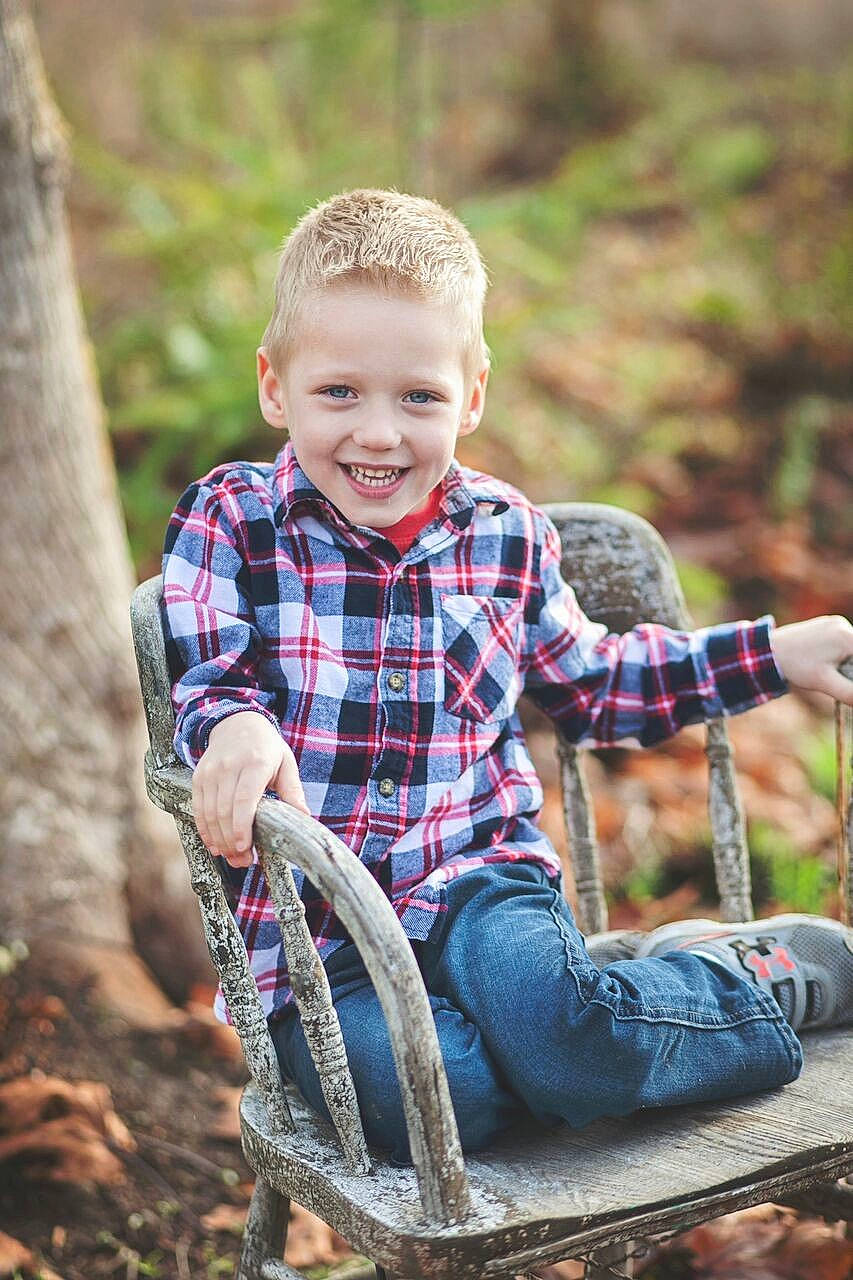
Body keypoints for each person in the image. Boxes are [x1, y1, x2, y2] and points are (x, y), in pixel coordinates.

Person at [162, 188, 853, 1163]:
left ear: (471, 395)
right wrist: (235, 728)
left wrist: (768, 656)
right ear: (276, 387)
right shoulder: (231, 521)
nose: (378, 433)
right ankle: (580, 1012)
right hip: (321, 945)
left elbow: (597, 685)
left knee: (567, 1051)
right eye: (338, 393)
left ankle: (732, 981)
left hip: (477, 881)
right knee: (450, 1105)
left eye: (418, 396)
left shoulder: (502, 536)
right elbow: (208, 670)